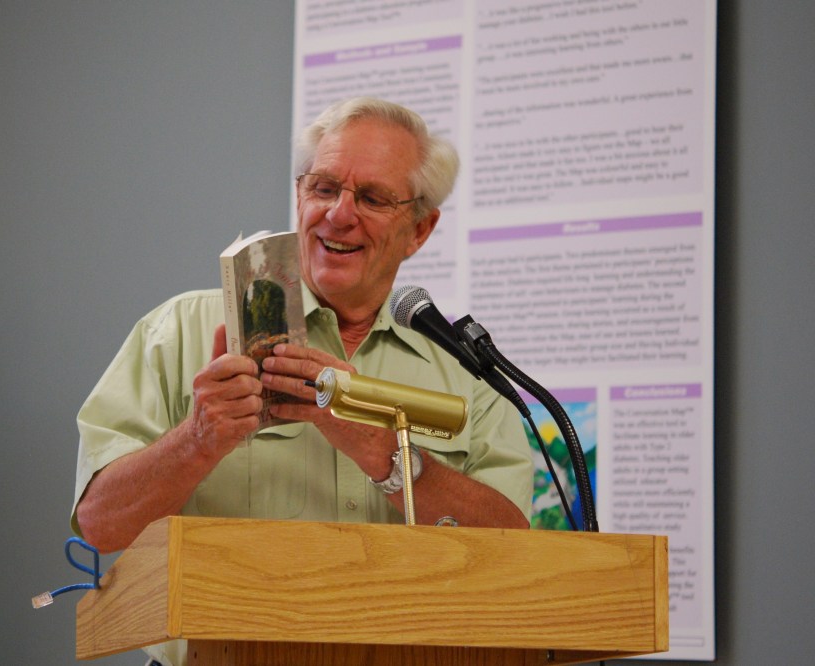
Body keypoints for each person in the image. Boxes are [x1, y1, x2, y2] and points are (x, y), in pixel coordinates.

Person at [72, 97, 534, 663]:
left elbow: (513, 547)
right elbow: (100, 526)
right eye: (324, 188)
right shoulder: (178, 331)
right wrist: (198, 439)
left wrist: (386, 454)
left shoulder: (465, 369)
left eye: (372, 198)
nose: (339, 214)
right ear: (299, 196)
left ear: (420, 229)